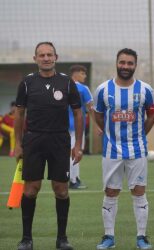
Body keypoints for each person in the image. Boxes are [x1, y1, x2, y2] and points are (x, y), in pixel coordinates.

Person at [14, 42, 83, 250]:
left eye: (49, 54)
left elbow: (79, 113)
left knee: (61, 190)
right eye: (41, 55)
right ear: (35, 58)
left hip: (59, 141)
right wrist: (18, 143)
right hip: (33, 141)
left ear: (56, 57)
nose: (46, 58)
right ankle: (26, 239)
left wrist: (78, 144)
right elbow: (19, 114)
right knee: (31, 189)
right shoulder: (26, 83)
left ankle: (62, 239)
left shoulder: (67, 82)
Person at [93, 48, 154, 250]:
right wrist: (110, 134)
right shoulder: (103, 89)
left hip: (137, 150)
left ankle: (141, 237)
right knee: (111, 192)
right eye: (122, 62)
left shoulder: (146, 90)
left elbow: (152, 115)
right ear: (116, 63)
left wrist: (140, 135)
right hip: (111, 151)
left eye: (130, 63)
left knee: (139, 192)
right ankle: (109, 237)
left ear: (135, 65)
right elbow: (98, 116)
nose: (126, 66)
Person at [68, 65, 101, 189]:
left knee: (68, 153)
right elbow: (91, 109)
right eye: (82, 73)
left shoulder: (63, 86)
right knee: (76, 152)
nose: (85, 76)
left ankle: (74, 177)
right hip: (77, 126)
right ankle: (73, 180)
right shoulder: (83, 88)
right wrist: (98, 125)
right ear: (75, 74)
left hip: (62, 126)